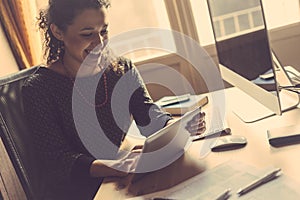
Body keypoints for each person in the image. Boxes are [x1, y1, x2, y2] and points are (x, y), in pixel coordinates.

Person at [21, 0, 206, 199]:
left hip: (121, 179)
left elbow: (147, 115)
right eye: (87, 34)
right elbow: (57, 161)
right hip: (80, 190)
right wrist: (113, 165)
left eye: (104, 31)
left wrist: (176, 127)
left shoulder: (121, 69)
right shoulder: (38, 88)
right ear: (58, 32)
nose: (100, 43)